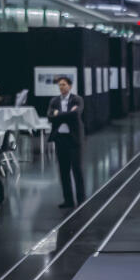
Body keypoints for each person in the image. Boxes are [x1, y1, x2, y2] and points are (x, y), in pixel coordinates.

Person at [48, 75, 85, 208]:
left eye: (63, 84)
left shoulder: (77, 99)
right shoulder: (54, 101)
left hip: (74, 139)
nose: (61, 87)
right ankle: (68, 200)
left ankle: (81, 200)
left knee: (77, 170)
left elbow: (76, 115)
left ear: (69, 86)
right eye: (59, 85)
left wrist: (59, 115)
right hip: (60, 139)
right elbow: (50, 117)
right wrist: (66, 114)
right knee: (63, 171)